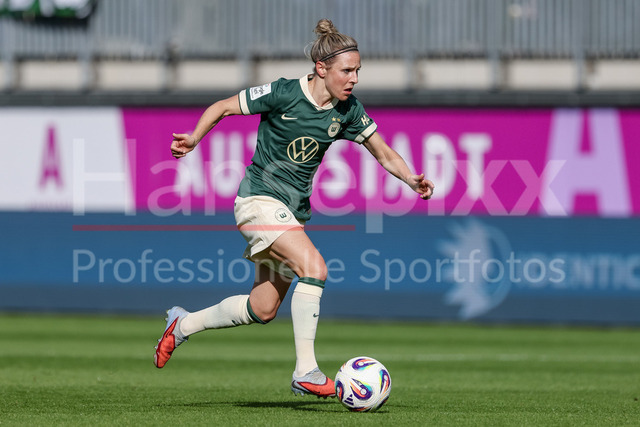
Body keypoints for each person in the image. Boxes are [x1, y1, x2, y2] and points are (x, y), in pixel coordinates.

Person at [154, 18, 434, 398]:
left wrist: (411, 179)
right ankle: (306, 371)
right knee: (314, 268)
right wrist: (194, 138)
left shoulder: (348, 110)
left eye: (358, 71)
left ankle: (182, 325)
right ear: (322, 68)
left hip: (292, 213)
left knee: (262, 308)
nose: (353, 79)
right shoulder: (284, 92)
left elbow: (382, 151)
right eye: (347, 71)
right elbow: (223, 107)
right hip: (258, 200)